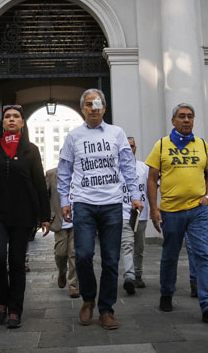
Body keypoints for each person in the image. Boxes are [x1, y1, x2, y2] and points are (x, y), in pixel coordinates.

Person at [57, 88, 143, 330]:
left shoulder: (117, 133)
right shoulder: (74, 137)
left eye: (97, 104)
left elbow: (128, 166)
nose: (93, 108)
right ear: (83, 109)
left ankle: (106, 308)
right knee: (83, 255)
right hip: (83, 203)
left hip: (112, 205)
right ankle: (87, 300)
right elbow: (64, 172)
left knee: (110, 259)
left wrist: (135, 196)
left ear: (104, 108)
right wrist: (65, 201)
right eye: (88, 104)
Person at [146, 103, 208, 326]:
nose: (187, 120)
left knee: (204, 255)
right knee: (170, 255)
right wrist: (154, 209)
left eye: (190, 116)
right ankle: (166, 293)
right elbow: (152, 179)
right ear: (173, 121)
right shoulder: (161, 145)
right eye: (182, 116)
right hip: (171, 211)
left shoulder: (202, 145)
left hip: (198, 209)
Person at [0, 105, 50, 329]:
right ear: (2, 122)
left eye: (16, 117)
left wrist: (44, 216)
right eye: (7, 116)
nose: (11, 120)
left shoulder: (31, 150)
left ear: (22, 123)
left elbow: (39, 184)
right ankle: (2, 300)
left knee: (17, 263)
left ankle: (15, 310)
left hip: (23, 215)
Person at [120, 136, 150, 294]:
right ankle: (129, 276)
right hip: (123, 213)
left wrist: (155, 209)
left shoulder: (144, 167)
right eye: (127, 146)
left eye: (132, 146)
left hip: (141, 214)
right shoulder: (116, 168)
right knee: (126, 245)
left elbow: (151, 188)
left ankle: (138, 274)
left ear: (135, 148)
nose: (130, 149)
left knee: (139, 248)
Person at [183, 185, 208, 299]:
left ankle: (201, 286)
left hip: (201, 211)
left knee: (204, 250)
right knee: (191, 249)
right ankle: (194, 281)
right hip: (183, 210)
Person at [46, 167, 80, 298]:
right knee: (61, 252)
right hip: (59, 221)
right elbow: (45, 195)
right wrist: (47, 215)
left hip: (77, 220)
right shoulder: (51, 174)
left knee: (73, 252)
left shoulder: (79, 172)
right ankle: (62, 270)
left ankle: (73, 285)